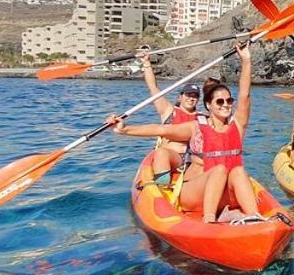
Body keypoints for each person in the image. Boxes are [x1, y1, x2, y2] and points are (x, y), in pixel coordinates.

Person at [110, 44, 261, 223]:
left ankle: (254, 217)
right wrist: (125, 129)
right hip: (194, 191)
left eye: (229, 100)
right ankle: (209, 219)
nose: (226, 104)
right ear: (208, 105)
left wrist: (246, 60)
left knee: (237, 171)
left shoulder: (237, 125)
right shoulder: (195, 125)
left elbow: (245, 95)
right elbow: (162, 130)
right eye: (219, 101)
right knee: (218, 169)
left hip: (225, 191)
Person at [136, 49, 202, 187]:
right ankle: (162, 186)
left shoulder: (201, 118)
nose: (191, 98)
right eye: (188, 95)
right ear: (180, 97)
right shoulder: (168, 111)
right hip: (172, 158)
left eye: (195, 96)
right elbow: (153, 87)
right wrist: (147, 63)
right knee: (161, 153)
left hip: (193, 161)